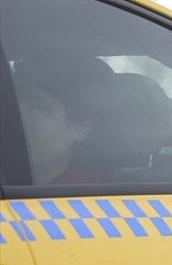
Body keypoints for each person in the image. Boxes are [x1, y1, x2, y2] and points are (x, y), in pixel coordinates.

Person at [12, 57, 114, 185]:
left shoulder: (95, 193)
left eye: (36, 109)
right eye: (11, 106)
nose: (16, 117)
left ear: (79, 129)